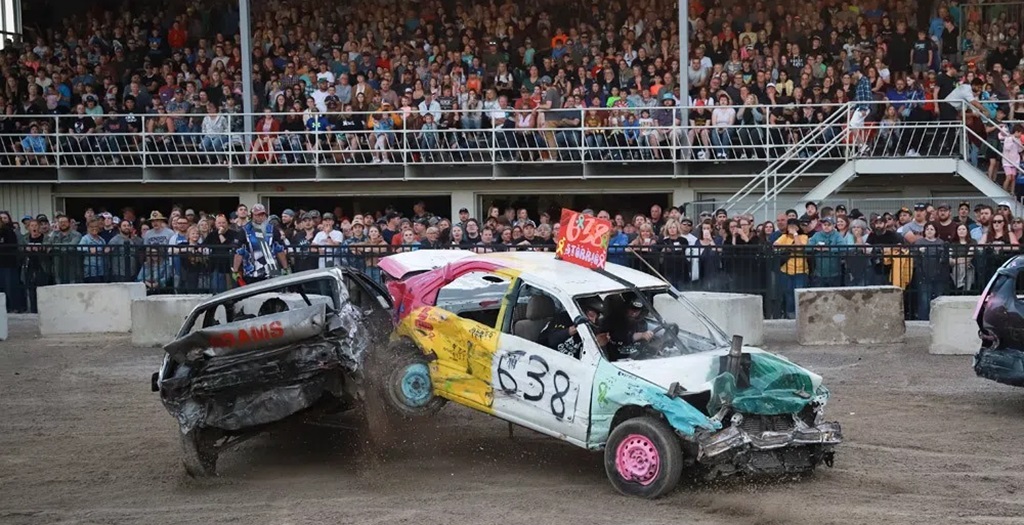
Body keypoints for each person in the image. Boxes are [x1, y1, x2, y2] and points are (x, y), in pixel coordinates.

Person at [232, 204, 289, 285]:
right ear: (252, 215)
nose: (260, 217)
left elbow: (279, 249)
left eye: (262, 214)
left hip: (271, 273)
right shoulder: (245, 230)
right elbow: (239, 252)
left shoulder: (273, 229)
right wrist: (235, 270)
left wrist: (285, 267)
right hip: (251, 273)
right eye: (257, 215)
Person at [539, 297, 605, 358]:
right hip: (545, 354)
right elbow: (552, 340)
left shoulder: (591, 329)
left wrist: (595, 344)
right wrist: (572, 330)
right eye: (591, 315)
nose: (593, 320)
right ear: (582, 310)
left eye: (596, 317)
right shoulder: (564, 317)